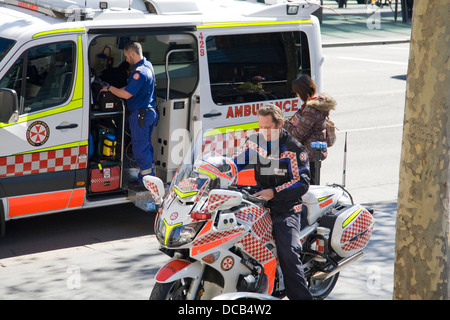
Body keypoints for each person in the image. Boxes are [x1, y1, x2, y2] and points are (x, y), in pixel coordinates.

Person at [232, 104, 313, 300]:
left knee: (288, 254)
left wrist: (274, 192)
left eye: (268, 127)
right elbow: (235, 164)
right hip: (259, 201)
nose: (264, 132)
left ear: (279, 124)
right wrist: (217, 171)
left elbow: (303, 183)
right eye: (261, 127)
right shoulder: (255, 141)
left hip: (286, 208)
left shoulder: (293, 148)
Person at [101, 41, 157, 189]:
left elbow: (126, 94)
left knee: (140, 149)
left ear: (132, 53)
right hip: (148, 114)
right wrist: (114, 89)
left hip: (141, 115)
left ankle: (145, 182)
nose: (126, 60)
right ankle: (149, 177)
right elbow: (131, 88)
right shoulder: (148, 66)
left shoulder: (139, 72)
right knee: (146, 146)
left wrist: (109, 88)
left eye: (126, 56)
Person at [284, 75, 336, 185]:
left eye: (297, 92)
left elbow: (298, 134)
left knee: (309, 187)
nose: (297, 95)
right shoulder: (319, 103)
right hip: (315, 153)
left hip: (309, 154)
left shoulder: (310, 109)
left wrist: (284, 123)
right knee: (313, 183)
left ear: (302, 92)